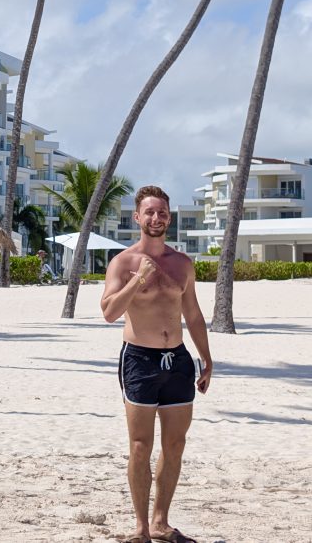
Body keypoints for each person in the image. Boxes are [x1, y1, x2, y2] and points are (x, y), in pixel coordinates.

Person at [101, 185, 212, 543]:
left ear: (169, 217)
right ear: (137, 217)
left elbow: (193, 315)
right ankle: (141, 527)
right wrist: (138, 280)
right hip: (139, 360)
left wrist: (206, 358)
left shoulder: (182, 264)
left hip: (178, 360)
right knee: (139, 446)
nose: (156, 218)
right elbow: (108, 312)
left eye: (162, 212)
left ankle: (161, 522)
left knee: (175, 444)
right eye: (149, 212)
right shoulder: (123, 262)